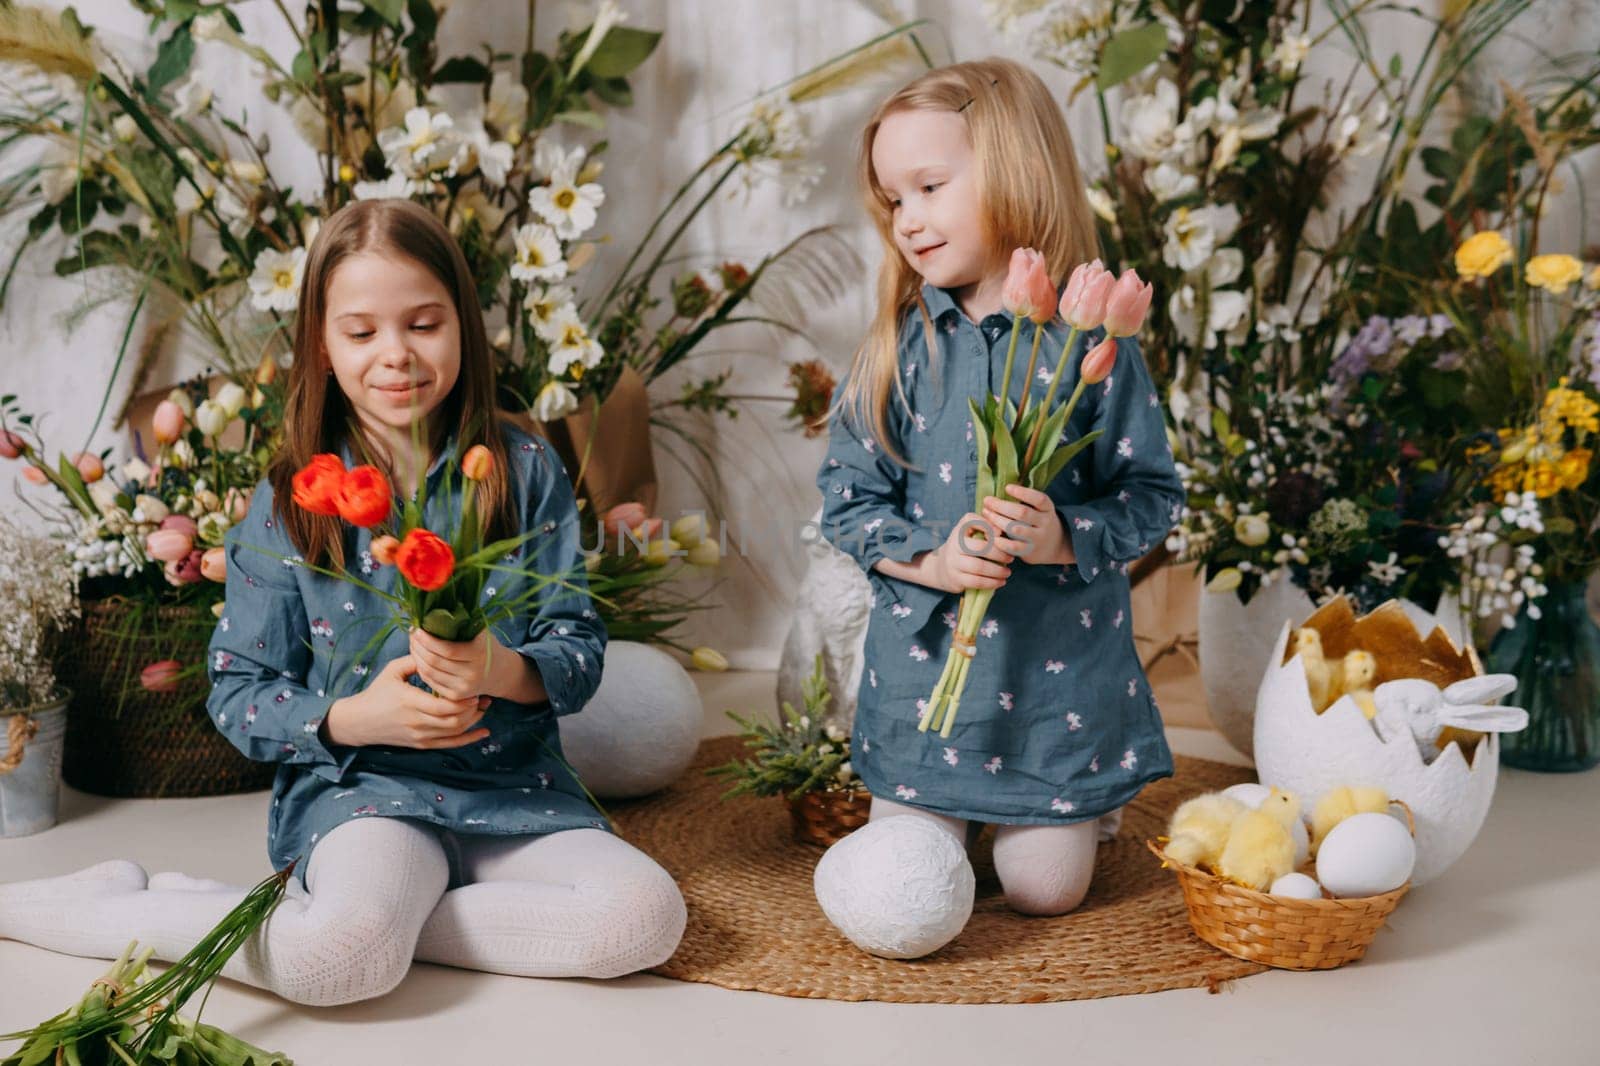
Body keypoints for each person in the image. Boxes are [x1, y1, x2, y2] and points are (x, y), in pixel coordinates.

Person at [0, 199, 685, 1004]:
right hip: (364, 796)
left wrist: (499, 668)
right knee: (336, 966)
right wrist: (353, 719)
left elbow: (577, 647)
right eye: (361, 333)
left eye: (424, 324)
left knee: (645, 920)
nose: (395, 356)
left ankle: (360, 920)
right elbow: (238, 692)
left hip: (516, 791)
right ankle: (124, 908)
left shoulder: (523, 466)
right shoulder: (293, 499)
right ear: (321, 346)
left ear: (465, 326)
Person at [816, 58, 1185, 952]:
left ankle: (1057, 816)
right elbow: (847, 502)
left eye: (930, 187)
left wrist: (1066, 535)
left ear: (1015, 170)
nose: (907, 220)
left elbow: (1153, 495)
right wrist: (935, 562)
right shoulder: (897, 351)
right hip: (925, 694)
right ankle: (938, 812)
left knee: (1044, 893)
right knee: (906, 883)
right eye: (891, 200)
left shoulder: (1091, 350)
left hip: (1050, 698)